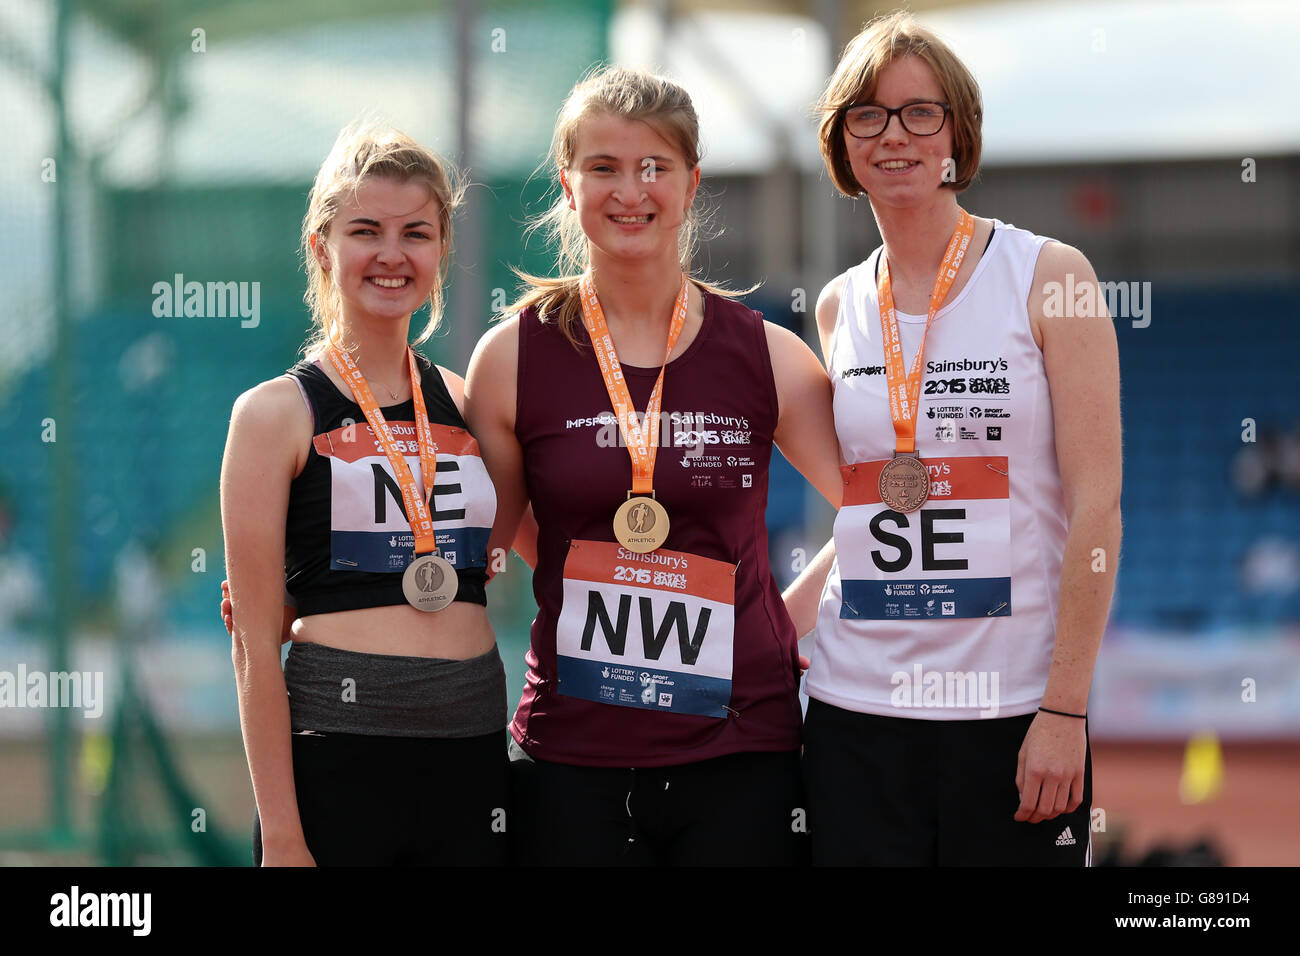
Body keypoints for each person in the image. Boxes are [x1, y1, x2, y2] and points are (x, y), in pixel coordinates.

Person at [464, 66, 842, 866]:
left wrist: (785, 621)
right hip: (573, 753)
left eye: (654, 167)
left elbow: (880, 506)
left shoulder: (766, 354)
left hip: (741, 751)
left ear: (691, 183)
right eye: (602, 166)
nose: (629, 190)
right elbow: (488, 539)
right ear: (568, 184)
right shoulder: (511, 358)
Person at [783, 11, 1122, 865]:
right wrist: (774, 626)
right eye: (868, 115)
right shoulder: (837, 305)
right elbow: (870, 511)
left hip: (1008, 716)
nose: (893, 135)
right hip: (856, 713)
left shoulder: (1051, 277)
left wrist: (1066, 708)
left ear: (957, 131)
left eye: (919, 112)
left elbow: (1098, 508)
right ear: (843, 140)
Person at [220, 122, 507, 866]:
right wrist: (282, 834)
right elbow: (253, 645)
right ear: (322, 246)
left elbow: (515, 540)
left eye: (416, 232)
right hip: (339, 757)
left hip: (472, 752)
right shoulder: (272, 415)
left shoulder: (468, 401)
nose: (391, 254)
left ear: (441, 250)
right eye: (365, 230)